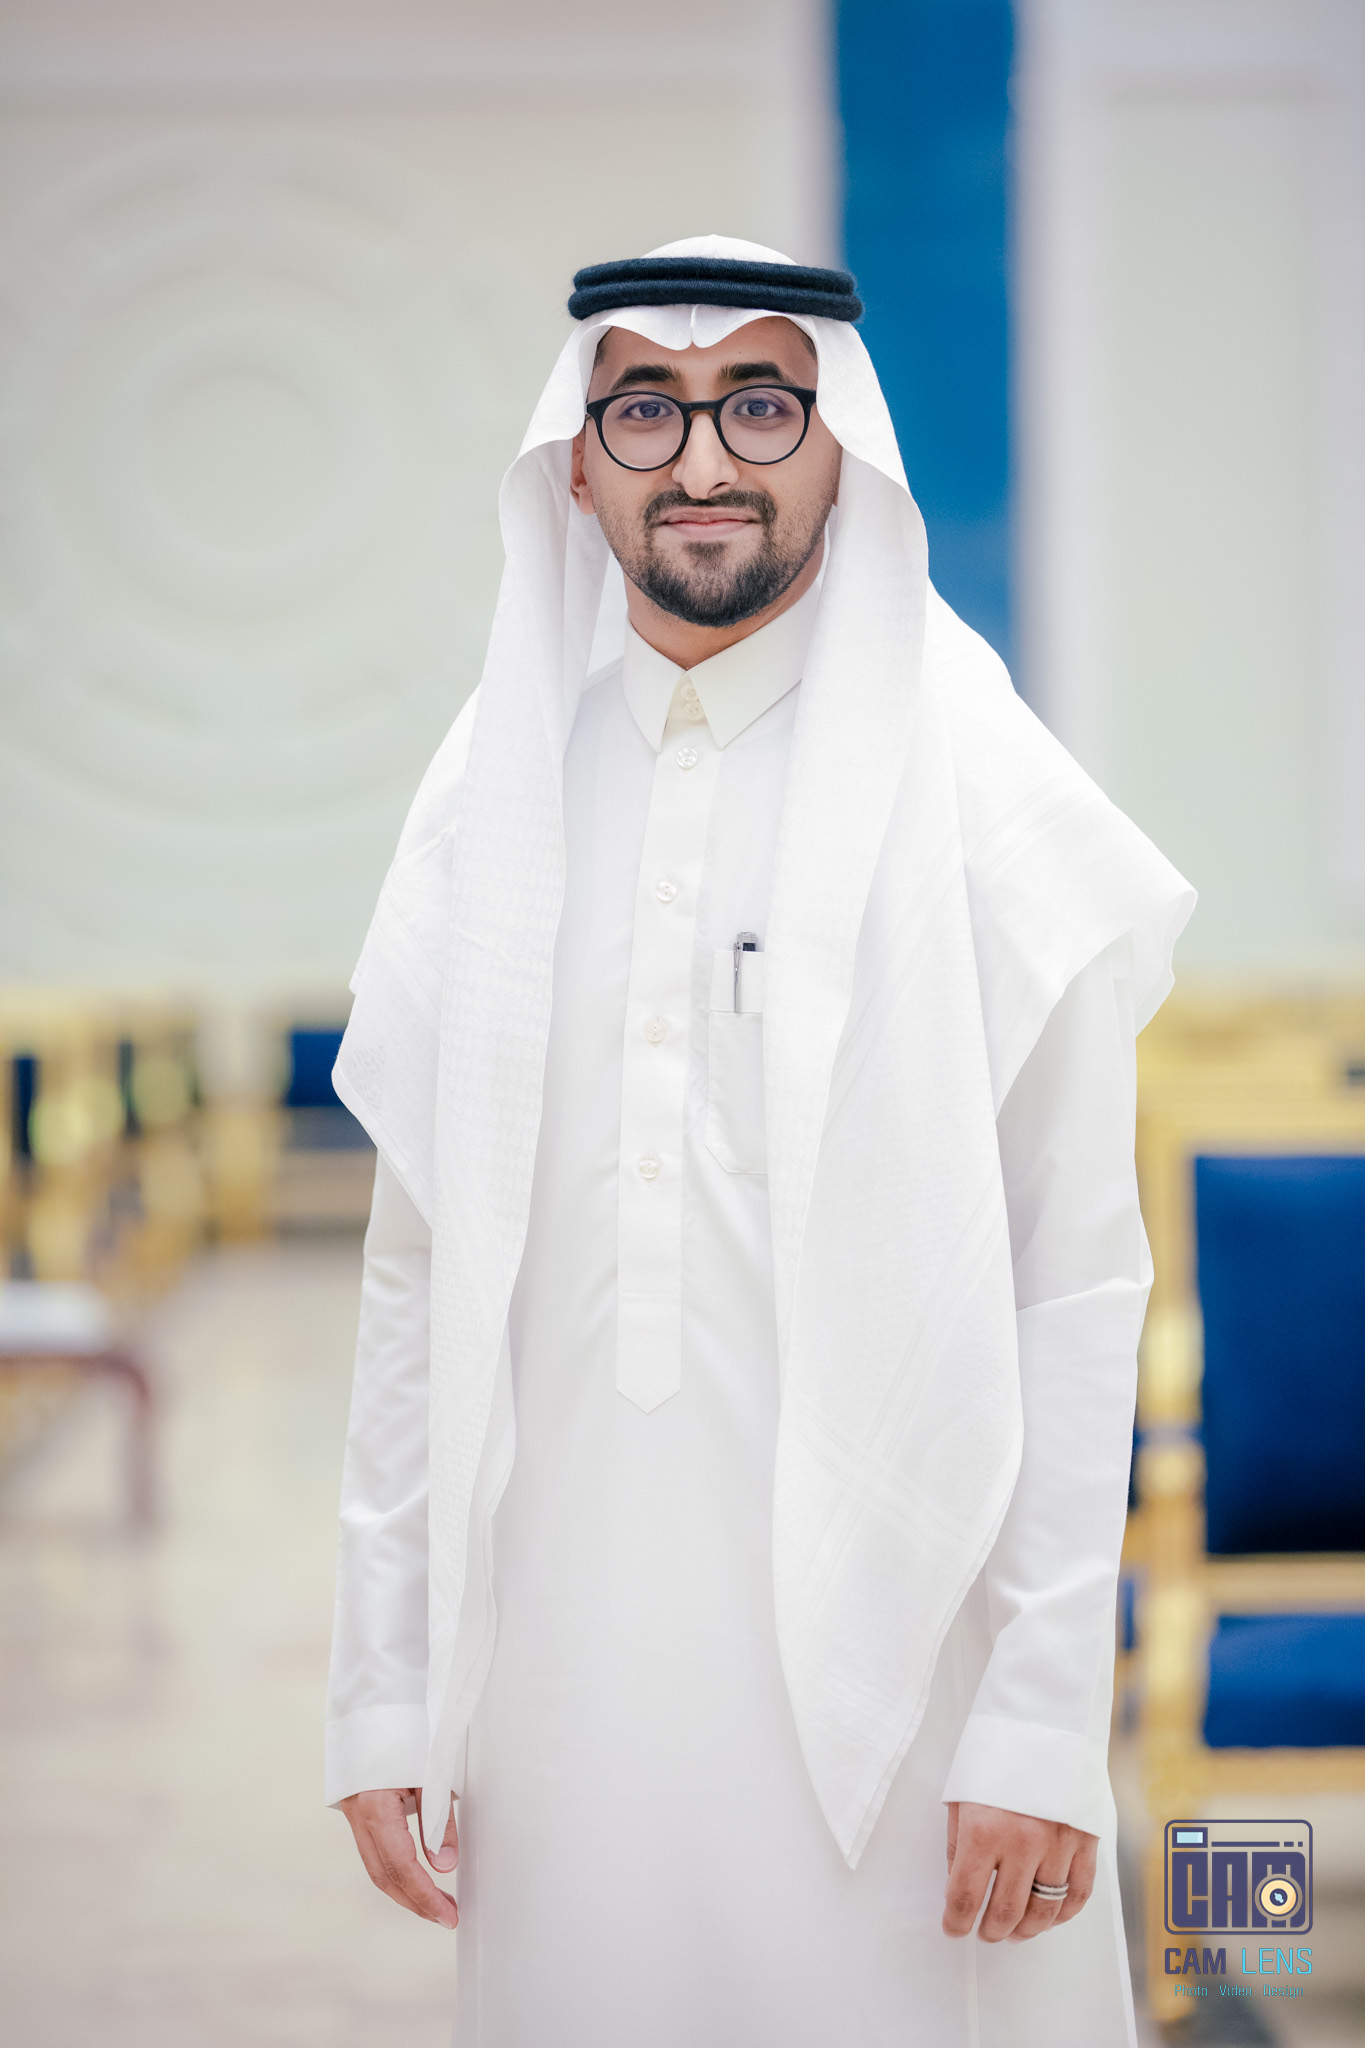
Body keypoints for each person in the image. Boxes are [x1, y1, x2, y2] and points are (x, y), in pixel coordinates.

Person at [324, 235, 1194, 2047]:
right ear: (576, 463)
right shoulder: (489, 795)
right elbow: (413, 1275)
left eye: (757, 407)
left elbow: (1071, 1280)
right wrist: (385, 1684)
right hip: (556, 1699)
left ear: (839, 450)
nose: (704, 458)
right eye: (646, 408)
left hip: (913, 1701)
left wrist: (1040, 1715)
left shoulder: (979, 788)